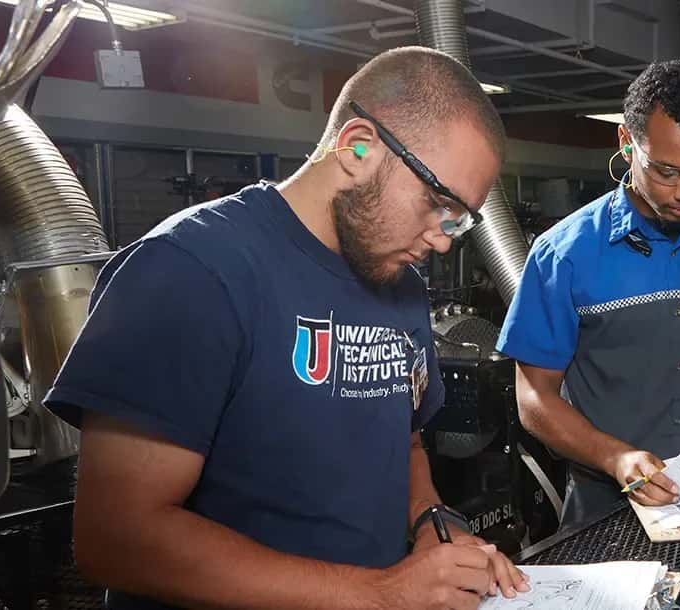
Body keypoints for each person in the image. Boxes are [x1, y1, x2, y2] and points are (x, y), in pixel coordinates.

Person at [45, 47, 529, 610]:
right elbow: (117, 539)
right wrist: (381, 593)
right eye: (436, 202)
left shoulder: (401, 287)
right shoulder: (190, 270)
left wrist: (432, 523)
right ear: (358, 147)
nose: (444, 238)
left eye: (459, 218)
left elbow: (405, 438)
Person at [497, 60, 680, 526]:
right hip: (606, 504)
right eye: (667, 171)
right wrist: (614, 457)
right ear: (626, 143)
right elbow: (534, 399)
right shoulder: (564, 254)